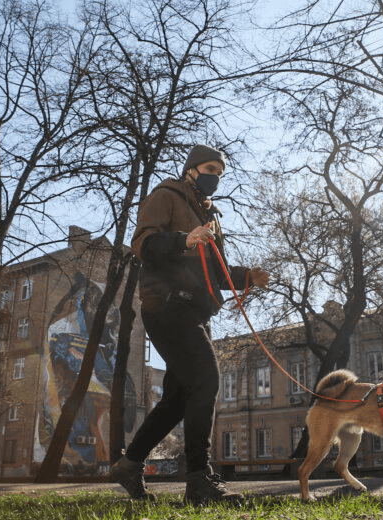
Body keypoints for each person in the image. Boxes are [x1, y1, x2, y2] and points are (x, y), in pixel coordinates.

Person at [112, 144, 270, 504]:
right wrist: (184, 238)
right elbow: (143, 243)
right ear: (191, 170)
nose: (215, 176)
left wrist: (248, 276)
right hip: (166, 304)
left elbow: (216, 271)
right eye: (210, 168)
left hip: (198, 310)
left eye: (220, 171)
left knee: (179, 397)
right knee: (206, 379)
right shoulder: (165, 195)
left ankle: (129, 464)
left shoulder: (212, 217)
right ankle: (199, 478)